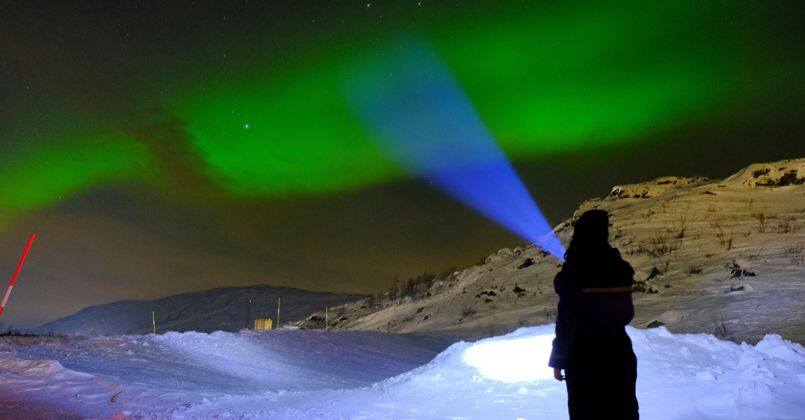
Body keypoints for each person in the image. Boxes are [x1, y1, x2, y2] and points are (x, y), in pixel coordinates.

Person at [548, 209, 639, 419]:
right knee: (623, 411)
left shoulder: (574, 272)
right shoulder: (621, 268)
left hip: (583, 357)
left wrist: (558, 359)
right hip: (619, 353)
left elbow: (566, 321)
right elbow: (627, 314)